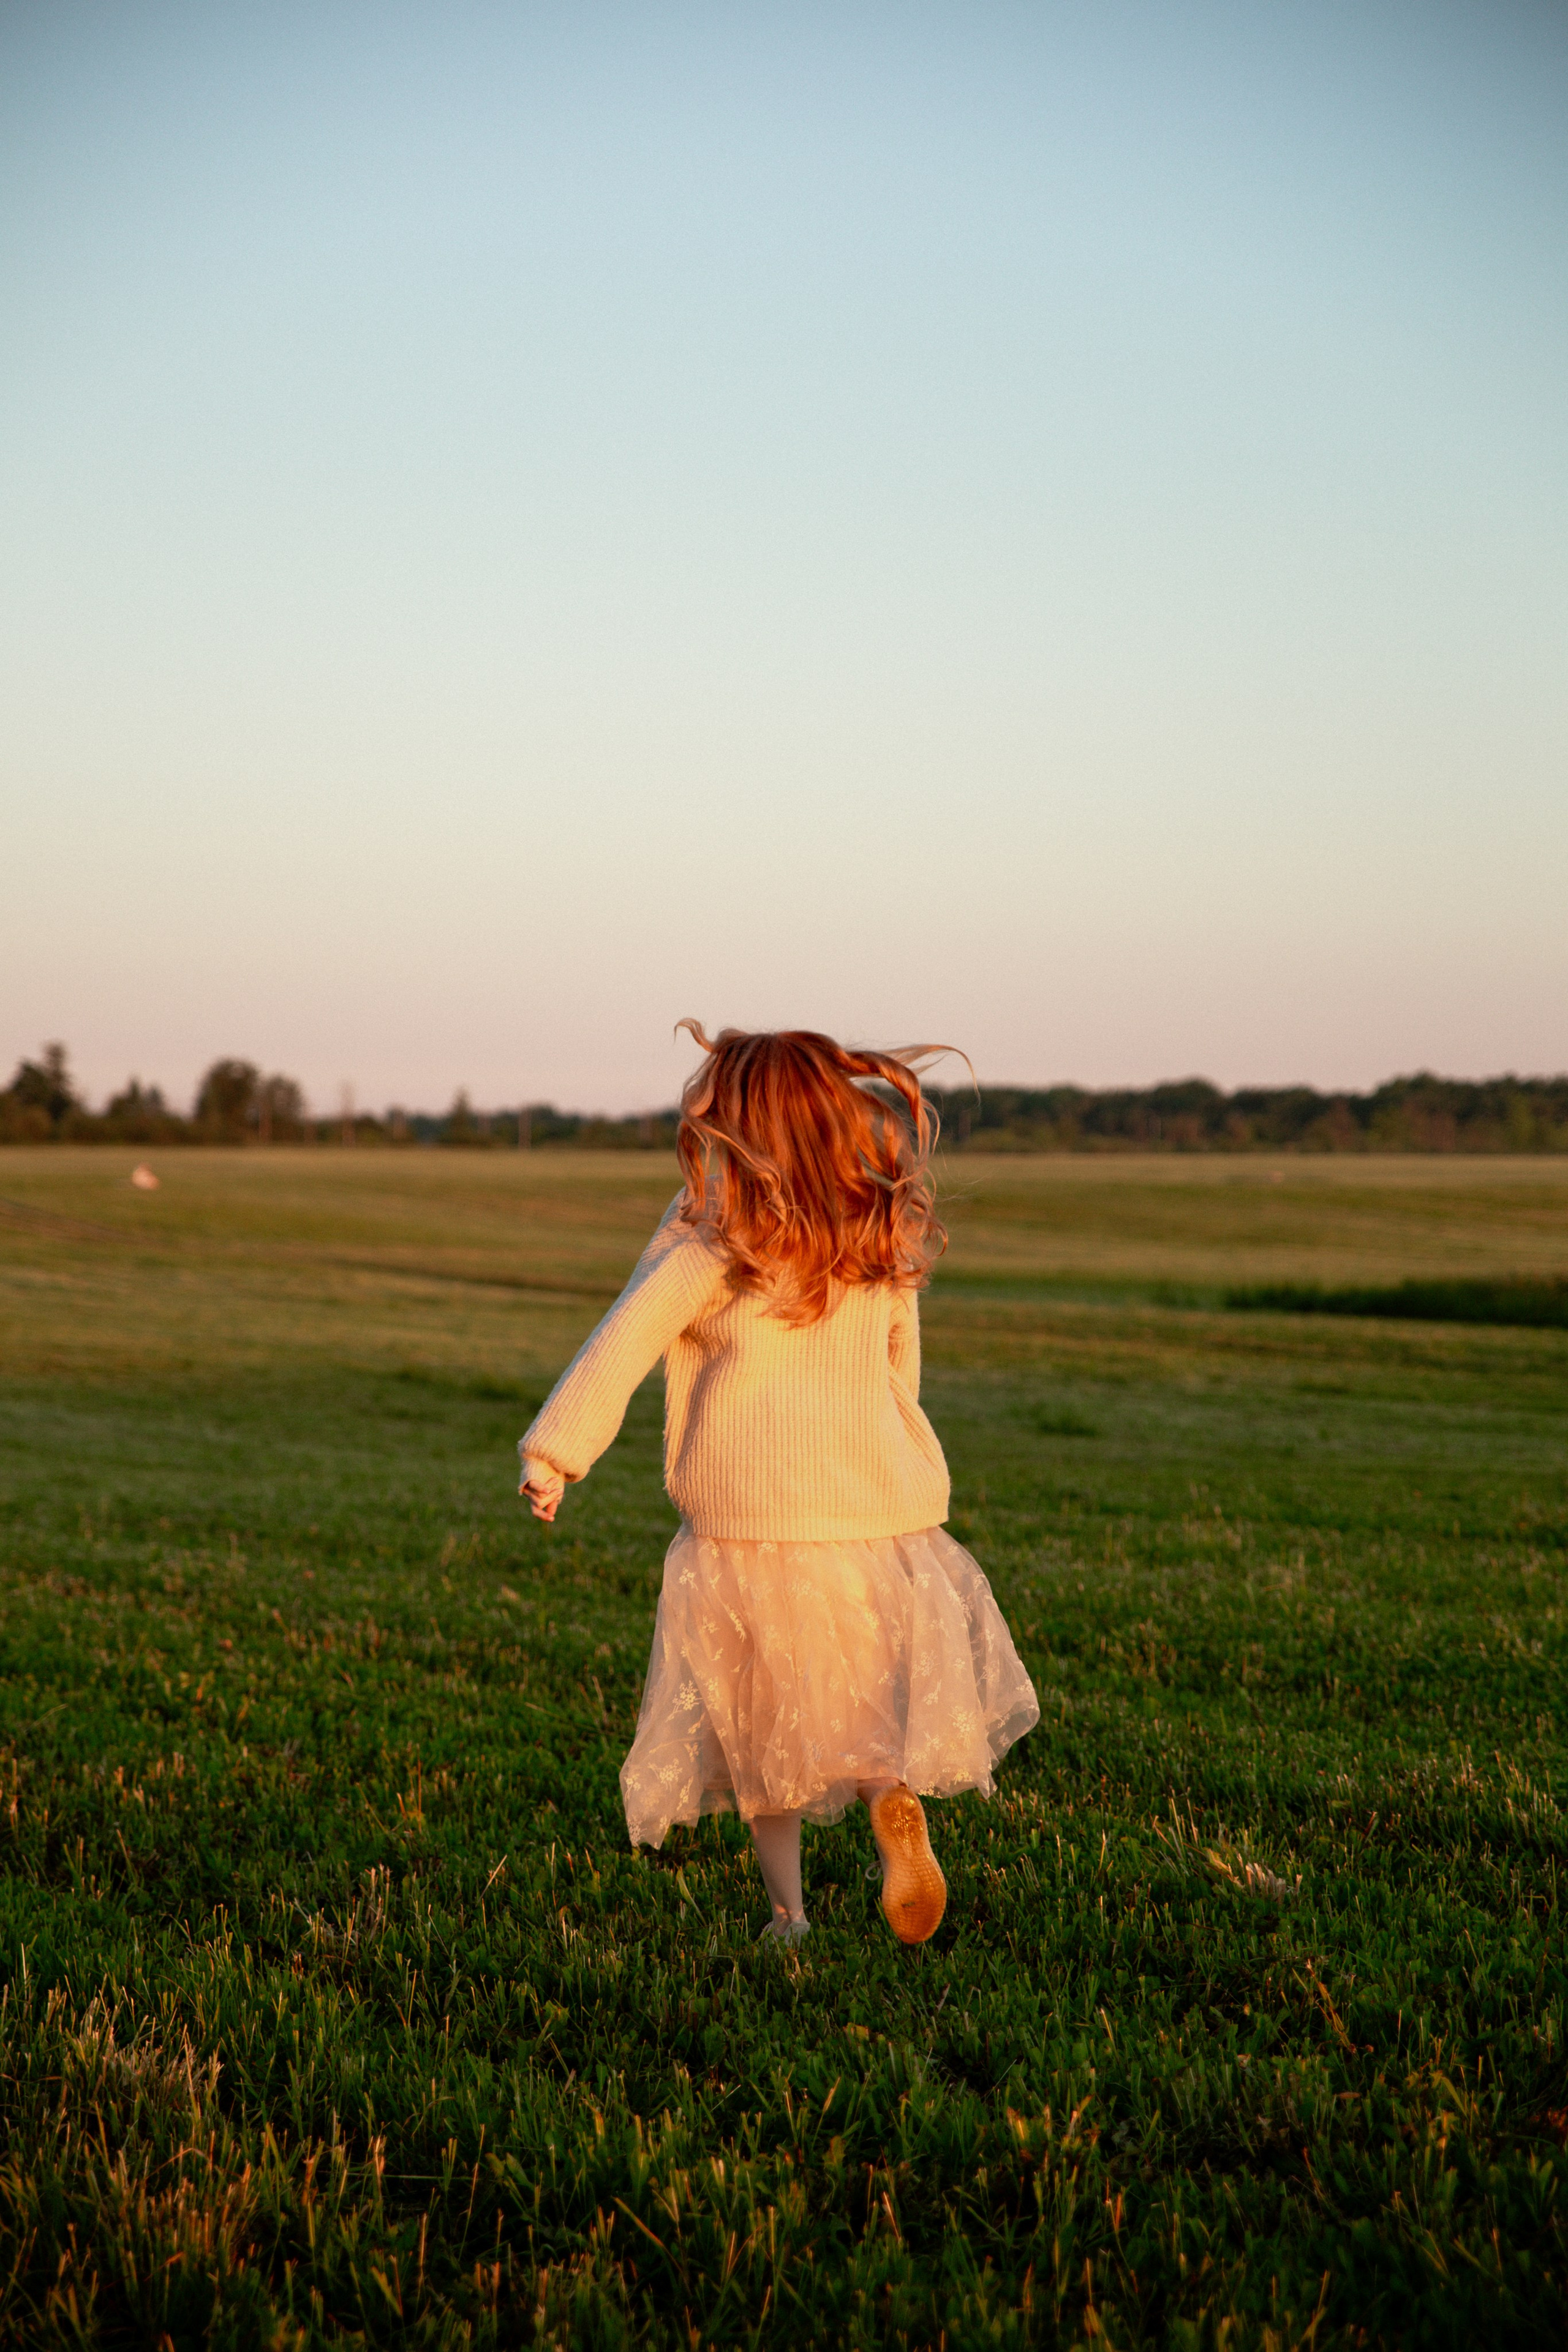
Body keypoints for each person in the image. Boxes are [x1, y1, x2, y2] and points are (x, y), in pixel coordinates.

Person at [518, 1024, 1039, 1947]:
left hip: (749, 1527)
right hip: (871, 1515)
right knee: (863, 1700)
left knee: (766, 1740)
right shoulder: (873, 1243)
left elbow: (625, 1340)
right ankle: (891, 1798)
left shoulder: (716, 1248)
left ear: (738, 1135)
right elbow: (898, 1371)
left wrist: (555, 1455)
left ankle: (788, 1916)